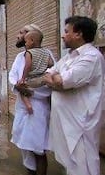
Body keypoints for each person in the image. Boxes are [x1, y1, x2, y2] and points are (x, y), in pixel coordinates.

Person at [43, 16, 105, 175]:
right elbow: (48, 75)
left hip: (80, 124)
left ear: (79, 34)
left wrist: (58, 82)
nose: (63, 35)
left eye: (66, 31)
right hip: (67, 123)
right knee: (71, 167)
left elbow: (62, 81)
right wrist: (56, 81)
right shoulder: (69, 56)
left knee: (84, 166)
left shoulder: (91, 57)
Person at [9, 24, 54, 175]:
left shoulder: (45, 54)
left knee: (38, 148)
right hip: (22, 106)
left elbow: (50, 76)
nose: (18, 35)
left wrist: (29, 89)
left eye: (22, 33)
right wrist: (20, 87)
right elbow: (13, 78)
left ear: (31, 37)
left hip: (37, 107)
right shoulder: (19, 57)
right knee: (24, 145)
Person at [17, 30, 54, 114]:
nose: (25, 44)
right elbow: (51, 63)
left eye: (26, 42)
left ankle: (28, 105)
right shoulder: (46, 52)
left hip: (32, 79)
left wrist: (23, 78)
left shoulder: (29, 52)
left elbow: (28, 66)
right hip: (43, 78)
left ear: (32, 41)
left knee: (20, 87)